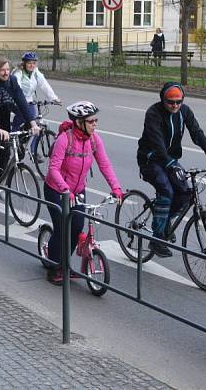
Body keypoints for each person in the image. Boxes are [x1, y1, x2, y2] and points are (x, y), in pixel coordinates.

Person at [136, 82, 206, 257]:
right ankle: (157, 239)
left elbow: (197, 133)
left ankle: (166, 221)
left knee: (184, 193)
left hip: (170, 160)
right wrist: (170, 164)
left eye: (178, 101)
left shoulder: (185, 112)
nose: (175, 105)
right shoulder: (153, 113)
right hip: (150, 160)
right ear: (163, 100)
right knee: (166, 191)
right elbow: (157, 142)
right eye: (170, 102)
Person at [44, 101, 124, 284]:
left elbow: (104, 164)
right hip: (56, 189)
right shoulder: (65, 139)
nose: (95, 124)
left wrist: (116, 187)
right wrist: (65, 189)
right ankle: (54, 267)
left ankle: (65, 264)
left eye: (96, 120)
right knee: (63, 226)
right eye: (91, 121)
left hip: (77, 190)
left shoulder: (94, 139)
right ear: (79, 122)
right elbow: (53, 169)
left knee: (76, 227)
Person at [10, 51, 60, 132]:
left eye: (34, 63)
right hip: (16, 100)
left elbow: (44, 85)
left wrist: (54, 98)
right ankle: (12, 137)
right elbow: (16, 88)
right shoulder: (18, 72)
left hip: (29, 99)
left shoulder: (36, 72)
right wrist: (20, 101)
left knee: (32, 118)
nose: (32, 65)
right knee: (22, 116)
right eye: (29, 63)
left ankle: (23, 141)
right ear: (24, 63)